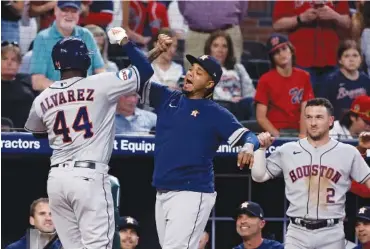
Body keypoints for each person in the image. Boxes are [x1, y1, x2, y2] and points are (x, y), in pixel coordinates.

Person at [109, 30, 261, 249]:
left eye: (199, 72)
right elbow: (131, 78)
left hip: (192, 192)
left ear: (210, 84)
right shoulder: (168, 97)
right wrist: (147, 48)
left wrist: (247, 146)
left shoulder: (215, 112)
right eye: (191, 69)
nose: (190, 74)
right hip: (162, 190)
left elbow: (249, 136)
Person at [23, 26, 158, 248]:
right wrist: (124, 41)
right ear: (86, 61)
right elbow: (143, 69)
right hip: (89, 177)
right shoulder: (102, 83)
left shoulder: (43, 97)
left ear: (57, 64)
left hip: (57, 180)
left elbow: (36, 133)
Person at [252, 98, 370, 249]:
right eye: (309, 117)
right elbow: (258, 176)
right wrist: (260, 149)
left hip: (332, 232)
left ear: (330, 121)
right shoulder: (288, 149)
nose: (313, 123)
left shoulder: (348, 152)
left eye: (319, 117)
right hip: (297, 231)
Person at [30, 1, 105, 92]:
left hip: (85, 97)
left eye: (74, 11)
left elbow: (100, 71)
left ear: (79, 13)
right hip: (56, 99)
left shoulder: (86, 35)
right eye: (65, 10)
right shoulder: (43, 38)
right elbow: (37, 82)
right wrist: (68, 91)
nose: (69, 15)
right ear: (56, 11)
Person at [255, 34, 314, 138]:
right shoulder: (265, 80)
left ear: (291, 49)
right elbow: (261, 117)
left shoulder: (304, 76)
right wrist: (278, 136)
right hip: (276, 132)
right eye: (276, 52)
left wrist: (303, 135)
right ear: (272, 58)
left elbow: (306, 110)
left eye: (284, 48)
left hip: (298, 131)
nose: (282, 54)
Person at [204, 30, 256, 120]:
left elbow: (250, 92)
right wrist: (229, 99)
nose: (220, 50)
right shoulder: (202, 69)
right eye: (216, 46)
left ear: (229, 50)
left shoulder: (238, 68)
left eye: (224, 46)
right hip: (216, 107)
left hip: (238, 108)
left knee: (251, 103)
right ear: (209, 49)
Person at [318, 40, 370, 120]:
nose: (351, 60)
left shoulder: (366, 80)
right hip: (337, 126)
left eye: (355, 56)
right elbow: (322, 108)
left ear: (361, 59)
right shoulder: (330, 81)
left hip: (362, 125)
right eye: (346, 56)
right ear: (340, 60)